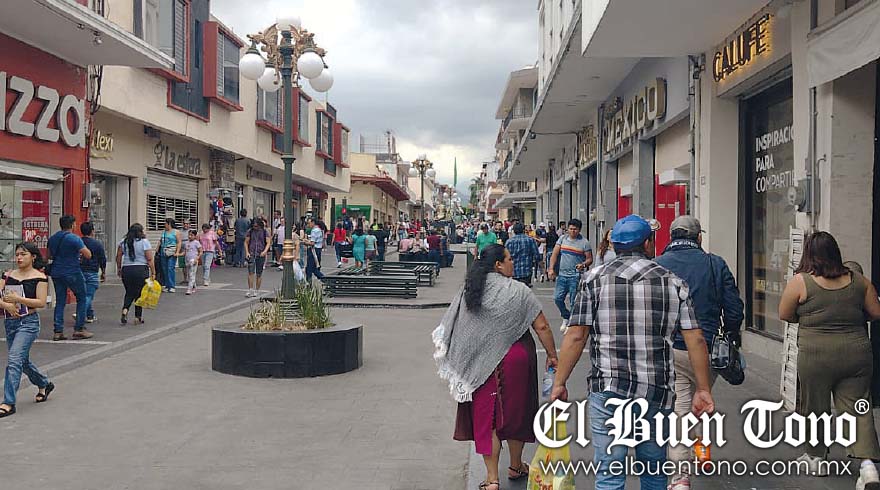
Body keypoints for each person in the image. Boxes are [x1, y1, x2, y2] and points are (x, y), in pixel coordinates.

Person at [550, 215, 715, 490]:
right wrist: (703, 388)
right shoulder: (673, 282)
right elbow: (695, 338)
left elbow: (577, 335)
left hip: (608, 388)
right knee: (653, 471)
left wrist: (560, 382)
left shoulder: (593, 280)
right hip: (656, 391)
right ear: (648, 244)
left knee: (610, 473)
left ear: (614, 245)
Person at [432, 244, 558, 490]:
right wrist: (553, 355)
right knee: (518, 413)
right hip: (517, 359)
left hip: (480, 363)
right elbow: (542, 326)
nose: (513, 263)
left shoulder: (471, 290)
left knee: (486, 418)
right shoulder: (519, 291)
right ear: (498, 265)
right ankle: (515, 465)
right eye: (509, 259)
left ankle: (491, 479)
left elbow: (459, 327)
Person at [779, 231, 880, 487]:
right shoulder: (860, 281)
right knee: (859, 408)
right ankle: (867, 467)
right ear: (836, 252)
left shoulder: (801, 282)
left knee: (815, 408)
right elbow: (875, 313)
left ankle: (816, 459)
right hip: (856, 354)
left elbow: (785, 313)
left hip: (816, 356)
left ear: (809, 254)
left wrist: (811, 317)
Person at [654, 216, 744, 489]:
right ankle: (701, 449)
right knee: (701, 397)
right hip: (708, 349)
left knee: (682, 407)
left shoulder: (657, 265)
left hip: (672, 348)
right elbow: (734, 310)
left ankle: (680, 475)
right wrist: (730, 336)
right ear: (699, 237)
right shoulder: (715, 264)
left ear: (671, 236)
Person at [0, 242, 54, 418]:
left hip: (28, 322)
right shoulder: (8, 274)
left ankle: (8, 402)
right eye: (17, 254)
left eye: (23, 254)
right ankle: (44, 383)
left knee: (14, 359)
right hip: (10, 321)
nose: (19, 258)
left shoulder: (40, 277)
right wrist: (6, 305)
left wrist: (18, 299)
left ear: (33, 256)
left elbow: (41, 302)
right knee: (21, 362)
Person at [47, 214, 93, 341]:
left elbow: (49, 256)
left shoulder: (53, 238)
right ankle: (79, 329)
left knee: (60, 301)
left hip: (56, 272)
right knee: (82, 297)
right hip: (72, 271)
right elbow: (88, 254)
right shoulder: (74, 238)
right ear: (72, 225)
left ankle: (58, 331)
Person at [547, 218, 593, 331]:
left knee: (573, 301)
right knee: (557, 298)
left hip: (575, 276)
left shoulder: (584, 242)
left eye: (575, 229)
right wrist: (551, 269)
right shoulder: (562, 239)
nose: (572, 231)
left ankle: (571, 324)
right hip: (562, 275)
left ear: (579, 230)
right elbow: (554, 254)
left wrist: (583, 264)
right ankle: (566, 316)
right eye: (570, 229)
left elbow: (590, 259)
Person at [116, 224, 155, 325]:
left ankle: (125, 310)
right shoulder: (144, 242)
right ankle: (138, 317)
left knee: (129, 292)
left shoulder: (123, 242)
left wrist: (119, 268)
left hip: (127, 269)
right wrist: (153, 272)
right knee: (139, 293)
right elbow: (149, 259)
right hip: (141, 269)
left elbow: (118, 256)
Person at [79, 221, 106, 324]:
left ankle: (90, 315)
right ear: (92, 231)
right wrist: (103, 272)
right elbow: (102, 259)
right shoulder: (97, 244)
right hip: (92, 271)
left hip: (79, 271)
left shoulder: (78, 242)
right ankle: (80, 313)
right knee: (89, 295)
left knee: (83, 294)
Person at [244, 218, 270, 298]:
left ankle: (257, 290)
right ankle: (250, 289)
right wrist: (247, 252)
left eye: (256, 226)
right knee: (250, 272)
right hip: (252, 253)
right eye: (254, 226)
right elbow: (246, 242)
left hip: (260, 253)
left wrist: (265, 251)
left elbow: (268, 242)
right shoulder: (250, 231)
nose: (255, 228)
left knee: (259, 273)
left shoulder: (264, 232)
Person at [159, 219, 182, 293]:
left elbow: (179, 242)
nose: (164, 225)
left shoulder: (176, 232)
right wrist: (157, 250)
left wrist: (177, 252)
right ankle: (167, 285)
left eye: (165, 223)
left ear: (169, 224)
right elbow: (160, 241)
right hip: (163, 251)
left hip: (172, 252)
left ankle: (172, 286)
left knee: (170, 268)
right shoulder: (164, 232)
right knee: (164, 269)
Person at [183, 230, 202, 296]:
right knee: (190, 274)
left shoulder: (197, 243)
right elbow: (185, 252)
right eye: (189, 235)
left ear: (195, 236)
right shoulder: (186, 243)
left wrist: (197, 258)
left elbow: (201, 251)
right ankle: (194, 286)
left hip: (193, 261)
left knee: (191, 274)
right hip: (187, 260)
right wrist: (178, 254)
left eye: (191, 235)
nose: (190, 236)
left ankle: (189, 289)